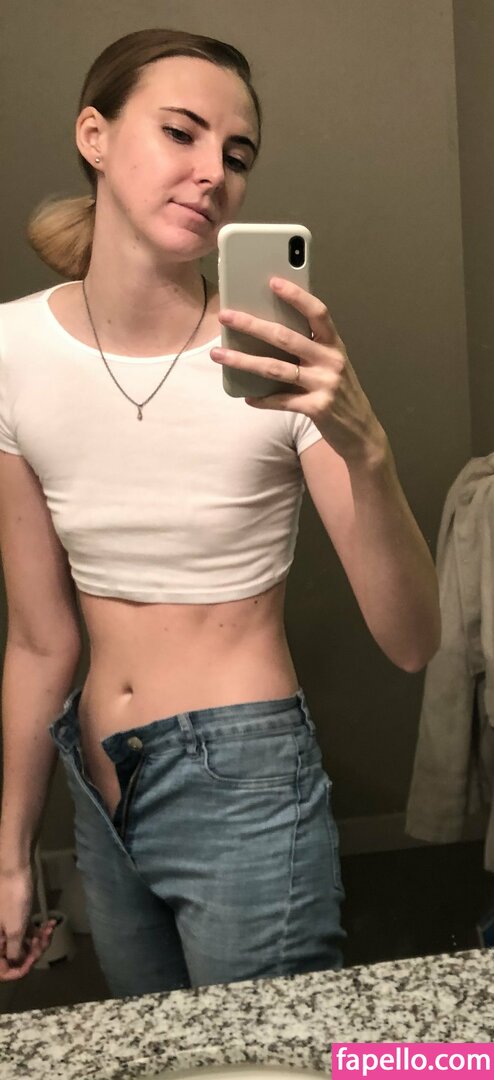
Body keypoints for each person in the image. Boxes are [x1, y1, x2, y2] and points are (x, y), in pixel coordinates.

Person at [0, 28, 440, 995]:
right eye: (181, 133)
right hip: (95, 784)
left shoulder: (279, 360)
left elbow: (412, 641)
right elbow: (39, 640)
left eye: (237, 155)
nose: (214, 172)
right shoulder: (11, 351)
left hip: (245, 780)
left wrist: (367, 448)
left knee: (271, 1057)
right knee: (162, 1055)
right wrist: (12, 852)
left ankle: (439, 1060)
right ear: (94, 135)